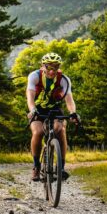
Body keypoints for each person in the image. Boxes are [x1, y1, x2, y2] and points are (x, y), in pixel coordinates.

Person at [26, 52, 80, 181]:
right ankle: (36, 166)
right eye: (49, 67)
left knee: (60, 130)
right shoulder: (34, 76)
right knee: (38, 132)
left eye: (55, 67)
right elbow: (30, 96)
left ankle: (60, 167)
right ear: (42, 66)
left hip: (55, 110)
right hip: (37, 109)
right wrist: (32, 110)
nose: (52, 71)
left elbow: (69, 99)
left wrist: (72, 112)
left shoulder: (64, 79)